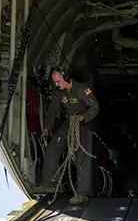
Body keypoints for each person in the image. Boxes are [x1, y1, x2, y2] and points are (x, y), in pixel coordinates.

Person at [37, 67, 100, 204]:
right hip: (69, 123)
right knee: (52, 149)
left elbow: (95, 107)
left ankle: (82, 193)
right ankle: (49, 184)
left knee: (82, 160)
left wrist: (83, 118)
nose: (56, 84)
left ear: (66, 78)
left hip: (83, 125)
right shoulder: (59, 93)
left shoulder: (82, 90)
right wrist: (47, 128)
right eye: (55, 82)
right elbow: (52, 111)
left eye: (58, 81)